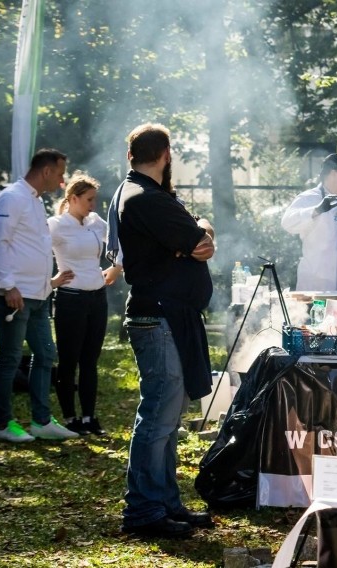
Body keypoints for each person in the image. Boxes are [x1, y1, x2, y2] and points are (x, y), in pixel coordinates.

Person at [115, 123, 215, 539]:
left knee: (168, 417)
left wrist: (194, 237)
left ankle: (165, 501)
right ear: (166, 154)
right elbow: (202, 241)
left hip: (167, 315)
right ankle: (142, 509)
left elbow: (196, 242)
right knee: (157, 415)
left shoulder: (144, 194)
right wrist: (199, 232)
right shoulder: (145, 197)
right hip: (158, 317)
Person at [0, 148, 79, 442]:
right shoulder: (12, 197)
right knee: (10, 359)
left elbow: (32, 249)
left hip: (38, 295)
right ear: (47, 170)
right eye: (61, 173)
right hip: (14, 295)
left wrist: (47, 284)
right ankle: (4, 425)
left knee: (45, 354)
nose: (63, 181)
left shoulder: (36, 202)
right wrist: (8, 285)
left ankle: (41, 421)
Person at [48, 173, 122, 436]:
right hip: (70, 300)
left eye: (95, 199)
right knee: (69, 361)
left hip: (97, 298)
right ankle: (70, 419)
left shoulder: (95, 222)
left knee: (90, 361)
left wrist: (116, 268)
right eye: (89, 199)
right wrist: (52, 282)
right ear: (73, 199)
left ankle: (90, 417)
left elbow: (119, 242)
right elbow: (32, 253)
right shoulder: (55, 225)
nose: (93, 204)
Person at [280, 153, 337, 291]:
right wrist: (316, 210)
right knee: (318, 312)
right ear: (334, 174)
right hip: (318, 277)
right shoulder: (309, 197)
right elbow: (287, 223)